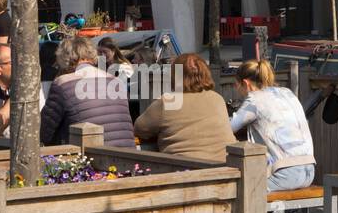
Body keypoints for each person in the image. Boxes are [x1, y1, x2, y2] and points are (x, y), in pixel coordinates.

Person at [229, 59, 316, 191]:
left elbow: (228, 127)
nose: (237, 89)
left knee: (238, 189)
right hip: (309, 171)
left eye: (236, 85)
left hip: (284, 174)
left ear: (246, 83)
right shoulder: (286, 92)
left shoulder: (254, 99)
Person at [134, 53, 236, 163]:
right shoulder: (218, 99)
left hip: (185, 169)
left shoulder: (168, 101)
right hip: (226, 164)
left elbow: (140, 128)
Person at [41, 33, 135, 147]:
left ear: (63, 57)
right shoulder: (115, 81)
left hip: (90, 156)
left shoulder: (63, 83)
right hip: (128, 153)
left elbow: (44, 132)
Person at [98, 37, 139, 120]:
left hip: (124, 108)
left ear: (113, 51)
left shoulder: (123, 67)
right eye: (99, 52)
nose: (102, 55)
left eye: (105, 52)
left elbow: (124, 90)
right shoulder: (102, 67)